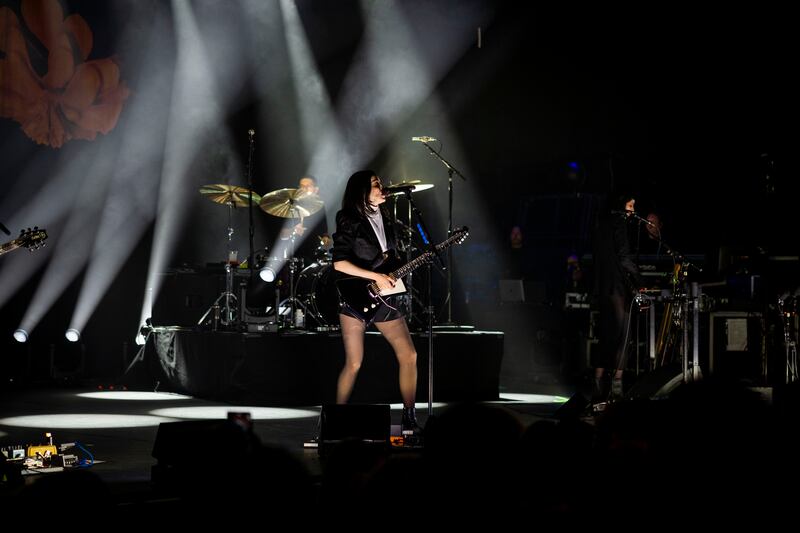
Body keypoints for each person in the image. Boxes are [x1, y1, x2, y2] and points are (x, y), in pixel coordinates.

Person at [331, 170, 421, 433]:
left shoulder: (386, 219)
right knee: (354, 362)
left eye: (381, 184)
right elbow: (339, 263)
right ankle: (336, 420)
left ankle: (409, 418)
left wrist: (401, 270)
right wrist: (376, 276)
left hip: (384, 299)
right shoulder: (349, 218)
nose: (382, 188)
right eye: (375, 185)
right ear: (361, 191)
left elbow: (388, 259)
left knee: (410, 355)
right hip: (355, 296)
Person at [591, 192, 644, 405]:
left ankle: (597, 385)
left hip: (603, 286)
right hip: (617, 287)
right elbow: (624, 257)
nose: (632, 211)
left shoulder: (600, 224)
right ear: (621, 207)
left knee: (606, 334)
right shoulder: (619, 224)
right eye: (630, 206)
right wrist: (640, 279)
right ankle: (617, 386)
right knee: (623, 335)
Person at [279, 176, 330, 261]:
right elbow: (282, 235)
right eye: (302, 186)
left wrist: (326, 238)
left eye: (308, 186)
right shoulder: (290, 207)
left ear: (316, 190)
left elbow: (324, 232)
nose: (304, 189)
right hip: (293, 256)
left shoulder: (320, 207)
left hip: (314, 255)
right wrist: (293, 230)